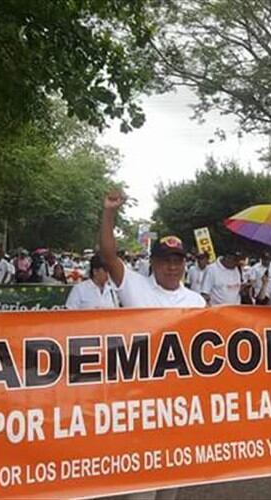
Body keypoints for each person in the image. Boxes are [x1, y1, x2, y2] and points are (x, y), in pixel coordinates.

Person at [100, 191, 203, 500]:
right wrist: (108, 214)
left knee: (170, 489)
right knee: (140, 491)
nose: (171, 267)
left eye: (177, 261)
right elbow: (107, 255)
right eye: (165, 261)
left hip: (178, 407)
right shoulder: (134, 286)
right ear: (154, 263)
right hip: (141, 405)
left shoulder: (196, 301)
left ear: (184, 264)